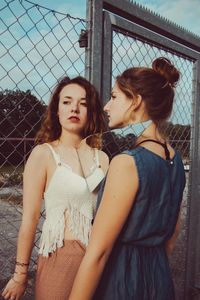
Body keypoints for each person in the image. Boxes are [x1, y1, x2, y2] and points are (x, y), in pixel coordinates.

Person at [69, 57, 186, 300]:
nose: (106, 107)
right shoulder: (174, 160)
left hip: (122, 282)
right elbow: (171, 237)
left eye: (113, 97)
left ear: (135, 101)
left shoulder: (127, 162)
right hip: (159, 279)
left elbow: (99, 253)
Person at [1, 76, 109, 300]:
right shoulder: (43, 154)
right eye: (67, 102)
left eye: (83, 103)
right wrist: (20, 274)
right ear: (56, 111)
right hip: (59, 255)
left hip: (98, 256)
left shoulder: (104, 159)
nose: (75, 108)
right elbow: (30, 218)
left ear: (91, 111)